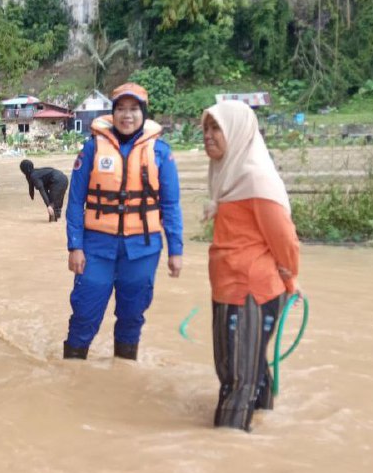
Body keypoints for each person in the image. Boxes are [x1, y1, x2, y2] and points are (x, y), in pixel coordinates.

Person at [63, 82, 183, 361]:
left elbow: (171, 205)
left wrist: (176, 251)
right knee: (85, 312)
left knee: (132, 317)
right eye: (121, 109)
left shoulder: (160, 152)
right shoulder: (92, 149)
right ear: (113, 113)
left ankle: (123, 374)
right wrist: (75, 246)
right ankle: (71, 376)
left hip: (143, 248)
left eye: (134, 109)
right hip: (96, 247)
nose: (127, 116)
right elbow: (75, 202)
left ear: (143, 114)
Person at [202, 100, 300, 431]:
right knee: (250, 370)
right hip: (232, 288)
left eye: (217, 128)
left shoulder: (254, 179)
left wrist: (289, 277)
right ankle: (261, 434)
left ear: (237, 132)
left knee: (236, 381)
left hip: (249, 293)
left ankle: (227, 454)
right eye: (206, 128)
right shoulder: (228, 173)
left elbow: (285, 239)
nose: (208, 135)